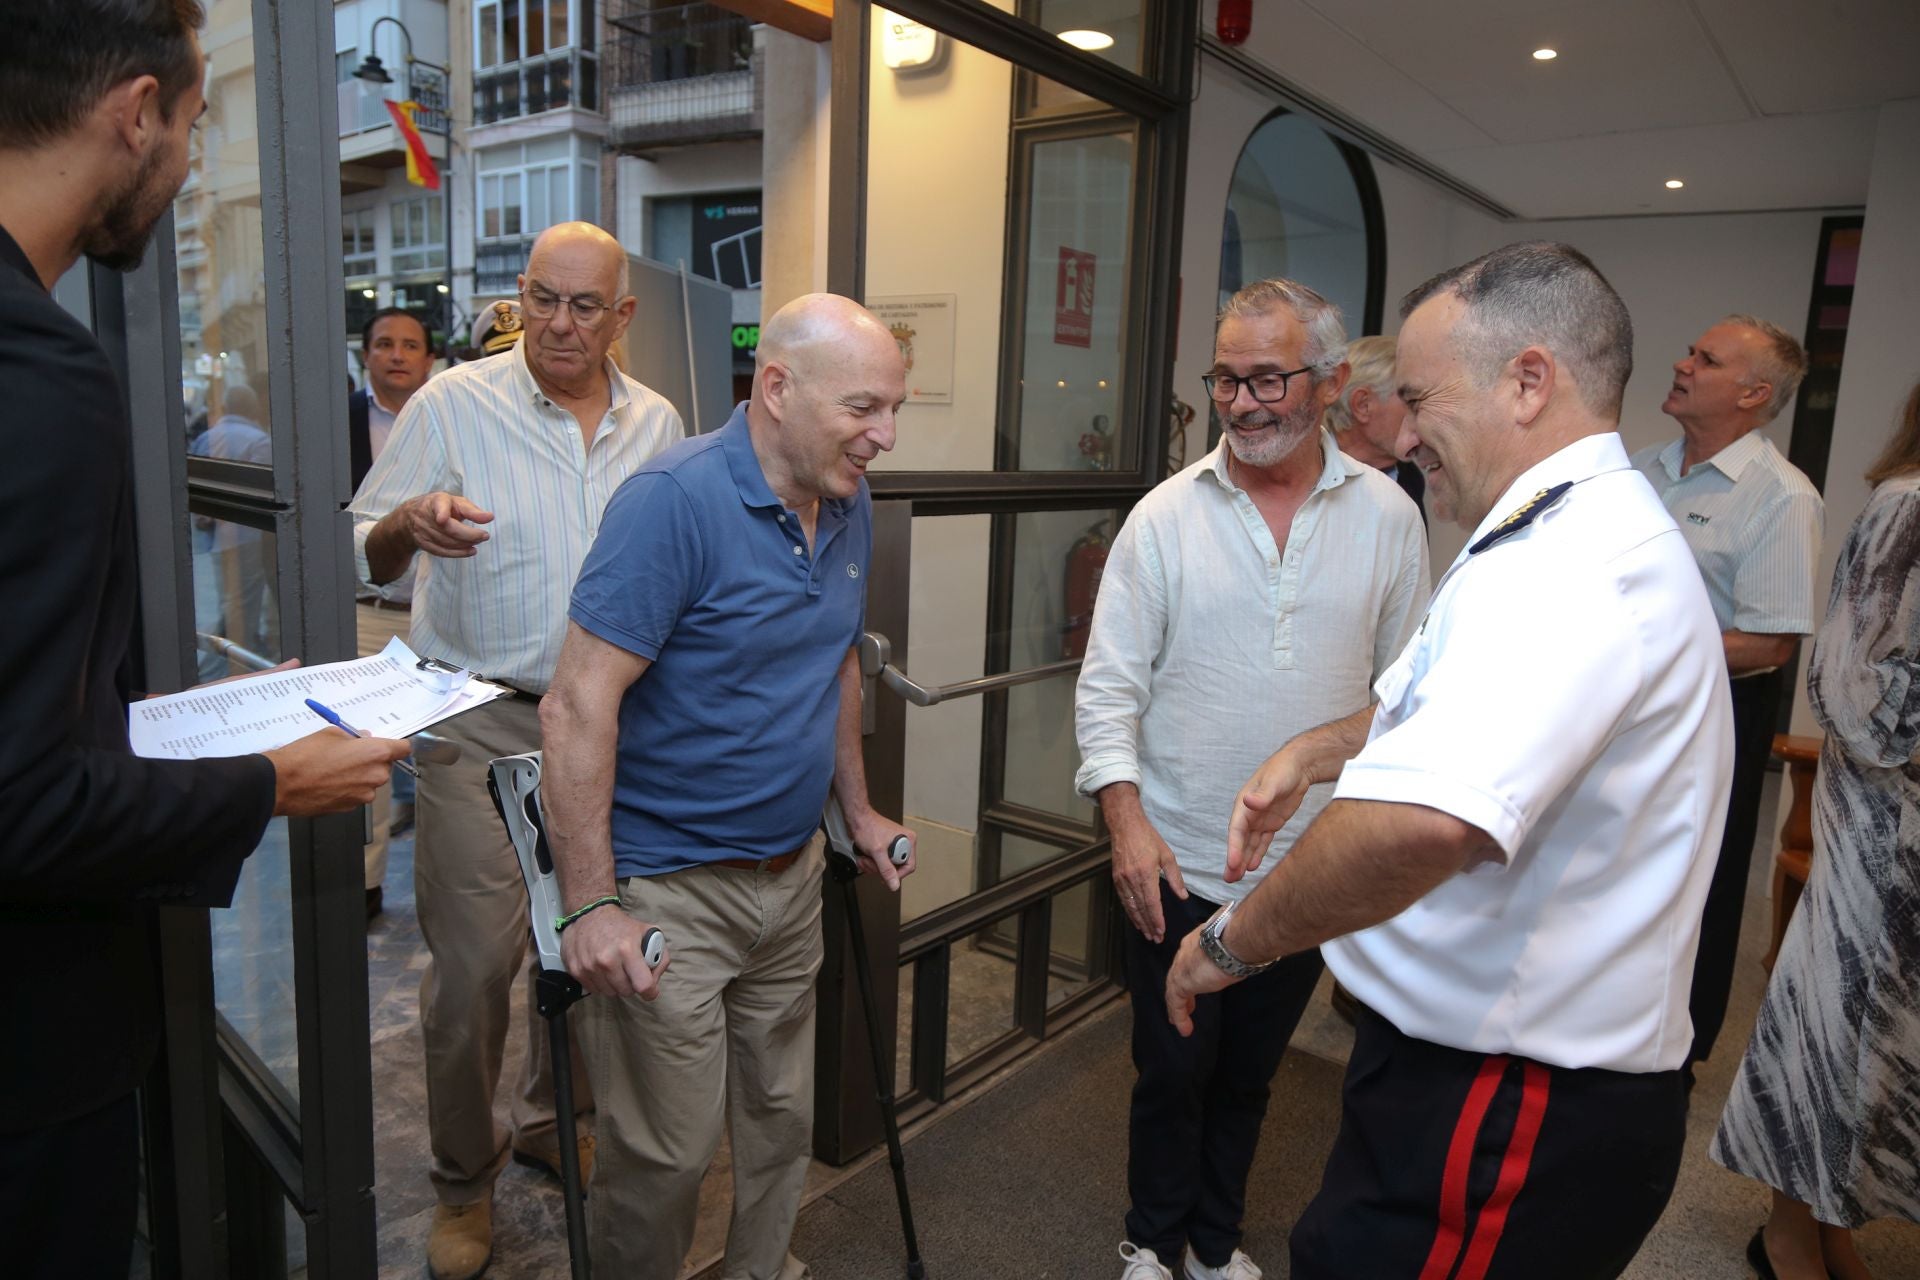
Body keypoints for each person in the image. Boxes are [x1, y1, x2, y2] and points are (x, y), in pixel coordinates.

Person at [1165, 242, 1733, 1280]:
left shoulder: (1572, 565)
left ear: (1528, 381)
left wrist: (1234, 941)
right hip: (1479, 1068)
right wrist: (1319, 748)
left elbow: (1425, 821)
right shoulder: (1553, 527)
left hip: (1513, 1089)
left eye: (1421, 399)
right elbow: (1445, 705)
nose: (1407, 430)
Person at [0, 4, 410, 1276]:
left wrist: (195, 722)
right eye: (193, 122)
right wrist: (268, 777)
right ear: (135, 111)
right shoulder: (42, 381)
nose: (185, 164)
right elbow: (20, 805)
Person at [539, 292, 916, 1280]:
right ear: (779, 386)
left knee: (781, 1116)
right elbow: (577, 704)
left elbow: (833, 660)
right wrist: (589, 901)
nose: (883, 436)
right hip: (671, 889)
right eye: (864, 408)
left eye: (893, 410)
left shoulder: (846, 494)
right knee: (664, 1152)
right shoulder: (672, 500)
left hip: (790, 879)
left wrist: (859, 808)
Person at [349, 221, 684, 1280]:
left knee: (584, 942)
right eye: (541, 298)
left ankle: (550, 1118)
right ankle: (463, 1179)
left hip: (608, 724)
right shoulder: (455, 401)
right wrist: (412, 518)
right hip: (476, 712)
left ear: (622, 316)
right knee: (476, 966)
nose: (559, 323)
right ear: (518, 298)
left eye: (585, 305)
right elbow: (364, 536)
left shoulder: (658, 422)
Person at [1076, 280, 1429, 1280]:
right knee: (1172, 1067)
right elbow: (1108, 686)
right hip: (1176, 854)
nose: (1241, 401)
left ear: (1325, 383)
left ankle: (1214, 1242)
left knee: (1250, 1072)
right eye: (1225, 378)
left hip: (1308, 867)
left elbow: (1408, 696)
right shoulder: (1163, 517)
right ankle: (1152, 1237)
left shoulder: (1390, 522)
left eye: (1265, 377)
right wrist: (1125, 820)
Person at [1712, 383, 1920, 1280]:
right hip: (1891, 818)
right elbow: (1847, 680)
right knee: (1839, 1016)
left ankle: (1836, 1218)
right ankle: (1789, 1228)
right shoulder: (1906, 505)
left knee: (1892, 1039)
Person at [1630, 315, 1823, 1070]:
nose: (1681, 364)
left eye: (1705, 360)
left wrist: (1637, 649)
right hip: (1618, 706)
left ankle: (1671, 1058)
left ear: (1754, 394)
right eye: (1690, 349)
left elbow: (1772, 642)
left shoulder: (1780, 498)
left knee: (1690, 889)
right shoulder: (1640, 470)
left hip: (1712, 714)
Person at [350, 307, 435, 915]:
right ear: (365, 354)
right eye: (385, 344)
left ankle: (444, 880)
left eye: (410, 345)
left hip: (434, 618)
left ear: (429, 359)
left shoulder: (450, 415)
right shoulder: (339, 422)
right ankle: (366, 884)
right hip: (365, 612)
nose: (398, 355)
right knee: (362, 755)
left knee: (442, 760)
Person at [1324, 333, 1426, 522]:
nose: (1423, 415)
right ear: (1363, 405)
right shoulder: (1303, 471)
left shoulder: (1410, 480)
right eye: (1412, 402)